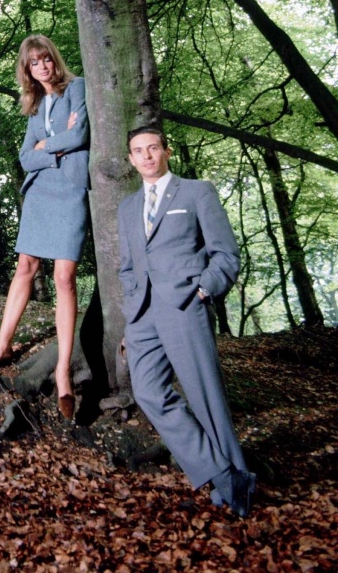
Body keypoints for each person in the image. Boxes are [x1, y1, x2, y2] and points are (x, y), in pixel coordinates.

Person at [118, 126, 255, 517]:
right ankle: (218, 471)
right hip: (142, 316)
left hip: (184, 307)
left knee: (205, 396)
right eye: (138, 151)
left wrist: (202, 291)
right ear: (130, 159)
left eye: (153, 148)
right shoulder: (127, 207)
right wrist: (130, 313)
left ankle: (236, 486)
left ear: (166, 151)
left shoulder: (197, 192)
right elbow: (127, 265)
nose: (146, 156)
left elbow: (226, 254)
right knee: (147, 392)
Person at [0, 35, 89, 420]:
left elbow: (81, 135)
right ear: (28, 71)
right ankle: (2, 345)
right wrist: (55, 146)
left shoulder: (78, 88)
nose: (42, 66)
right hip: (40, 193)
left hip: (71, 190)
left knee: (64, 277)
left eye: (45, 59)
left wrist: (46, 148)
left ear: (54, 59)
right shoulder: (35, 107)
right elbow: (25, 158)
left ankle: (62, 370)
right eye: (34, 63)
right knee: (25, 266)